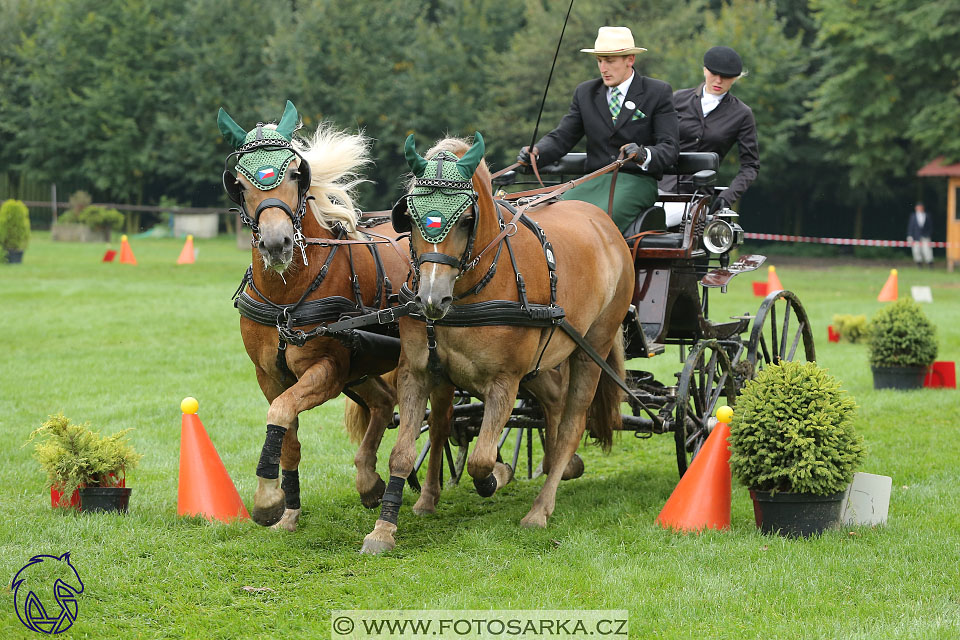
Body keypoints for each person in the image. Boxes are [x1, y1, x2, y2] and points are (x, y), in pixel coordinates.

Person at [517, 26, 679, 235]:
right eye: (599, 61)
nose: (603, 68)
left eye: (610, 61)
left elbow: (670, 147)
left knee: (591, 229)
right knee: (551, 225)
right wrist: (536, 152)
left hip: (636, 182)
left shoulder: (657, 92)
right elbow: (563, 136)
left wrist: (643, 154)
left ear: (630, 59)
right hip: (592, 181)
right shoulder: (585, 93)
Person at [660, 46, 759, 211]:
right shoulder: (677, 99)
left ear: (735, 78)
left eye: (726, 77)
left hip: (697, 198)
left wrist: (728, 196)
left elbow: (750, 166)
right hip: (659, 187)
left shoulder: (742, 114)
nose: (718, 81)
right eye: (714, 74)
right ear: (705, 70)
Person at [907, 202, 934, 269]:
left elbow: (930, 227)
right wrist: (910, 235)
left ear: (923, 208)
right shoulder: (913, 216)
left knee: (927, 250)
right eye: (918, 207)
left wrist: (928, 234)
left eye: (920, 207)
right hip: (916, 236)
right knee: (916, 251)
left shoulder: (927, 215)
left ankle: (930, 264)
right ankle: (919, 265)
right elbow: (910, 226)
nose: (919, 208)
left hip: (925, 236)